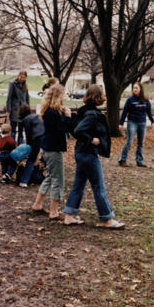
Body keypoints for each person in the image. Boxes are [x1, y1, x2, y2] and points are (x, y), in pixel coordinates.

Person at [63, 84, 125, 229]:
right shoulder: (92, 114)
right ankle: (107, 219)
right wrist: (92, 139)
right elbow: (79, 130)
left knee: (79, 184)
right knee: (98, 186)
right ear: (98, 96)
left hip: (81, 152)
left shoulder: (84, 111)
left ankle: (69, 216)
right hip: (88, 153)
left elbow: (74, 130)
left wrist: (69, 118)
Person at [32, 84, 72, 219]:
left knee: (49, 177)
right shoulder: (53, 113)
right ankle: (54, 211)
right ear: (58, 96)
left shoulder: (49, 111)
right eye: (64, 94)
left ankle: (37, 204)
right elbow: (62, 129)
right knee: (58, 180)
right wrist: (68, 117)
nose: (65, 96)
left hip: (47, 149)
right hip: (54, 150)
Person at [118, 82, 154, 167]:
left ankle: (139, 161)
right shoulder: (130, 100)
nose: (135, 89)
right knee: (129, 141)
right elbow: (125, 112)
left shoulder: (146, 100)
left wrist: (152, 121)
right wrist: (121, 123)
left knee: (140, 143)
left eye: (136, 88)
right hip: (132, 123)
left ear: (140, 89)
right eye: (134, 88)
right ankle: (122, 159)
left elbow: (149, 112)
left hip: (142, 123)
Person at [17, 104, 45, 188]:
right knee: (43, 159)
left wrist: (28, 146)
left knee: (31, 160)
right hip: (44, 138)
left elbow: (28, 134)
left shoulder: (26, 120)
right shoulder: (36, 116)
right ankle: (41, 176)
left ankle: (24, 181)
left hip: (35, 140)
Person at [6, 71, 29, 144]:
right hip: (14, 110)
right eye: (21, 77)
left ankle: (20, 143)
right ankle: (12, 144)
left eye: (24, 78)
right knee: (13, 129)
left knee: (21, 129)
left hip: (23, 111)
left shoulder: (25, 85)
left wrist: (28, 109)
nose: (22, 79)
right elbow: (9, 98)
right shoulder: (12, 84)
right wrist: (8, 110)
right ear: (18, 76)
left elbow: (27, 98)